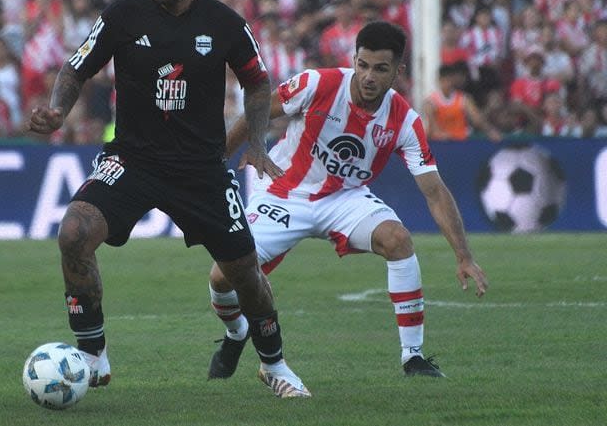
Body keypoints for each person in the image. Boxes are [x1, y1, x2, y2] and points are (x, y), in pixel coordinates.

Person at [27, 0, 311, 399]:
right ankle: (93, 354)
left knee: (244, 270)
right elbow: (77, 67)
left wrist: (256, 143)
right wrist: (58, 110)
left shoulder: (223, 23)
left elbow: (258, 83)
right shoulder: (123, 16)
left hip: (199, 169)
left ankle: (275, 365)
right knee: (74, 231)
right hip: (133, 160)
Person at [205, 21, 488, 381]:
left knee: (398, 240)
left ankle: (412, 356)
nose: (369, 76)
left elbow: (434, 190)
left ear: (397, 72)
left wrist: (463, 255)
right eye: (363, 65)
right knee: (221, 276)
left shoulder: (405, 120)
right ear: (354, 59)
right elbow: (259, 109)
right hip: (284, 190)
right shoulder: (318, 83)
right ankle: (236, 333)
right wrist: (216, 164)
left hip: (345, 198)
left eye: (380, 69)